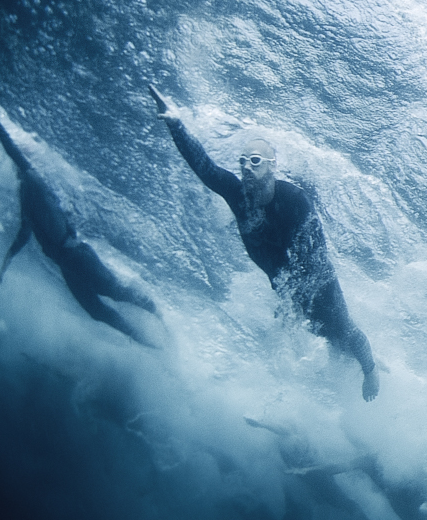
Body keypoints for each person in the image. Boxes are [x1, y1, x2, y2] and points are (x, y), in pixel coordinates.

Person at [150, 85, 379, 400]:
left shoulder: (296, 202)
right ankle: (346, 371)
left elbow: (311, 260)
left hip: (320, 286)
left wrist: (290, 301)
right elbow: (204, 167)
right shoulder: (237, 196)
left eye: (255, 160)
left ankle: (371, 370)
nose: (246, 166)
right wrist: (175, 124)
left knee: (343, 333)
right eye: (242, 161)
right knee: (324, 340)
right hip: (286, 287)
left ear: (273, 166)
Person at [0, 95, 158, 344]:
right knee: (96, 311)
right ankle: (145, 340)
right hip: (66, 264)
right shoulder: (25, 193)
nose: (14, 166)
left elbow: (12, 150)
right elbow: (25, 232)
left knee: (115, 292)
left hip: (76, 255)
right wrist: (7, 261)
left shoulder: (33, 178)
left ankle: (158, 315)